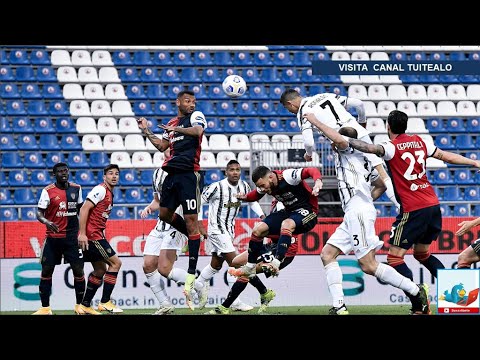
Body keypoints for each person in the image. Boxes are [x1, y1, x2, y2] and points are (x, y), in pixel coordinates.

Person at [347, 110, 480, 308]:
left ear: (388, 127)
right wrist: (473, 161)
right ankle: (459, 303)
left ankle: (419, 301)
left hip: (413, 209)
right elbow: (445, 156)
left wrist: (344, 139)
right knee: (422, 254)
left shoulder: (390, 147)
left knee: (394, 258)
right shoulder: (421, 141)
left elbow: (368, 147)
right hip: (433, 206)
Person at [302, 114, 430, 315]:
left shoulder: (347, 150)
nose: (334, 144)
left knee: (369, 265)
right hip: (354, 211)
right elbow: (379, 183)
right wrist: (365, 199)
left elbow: (339, 139)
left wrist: (313, 120)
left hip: (358, 213)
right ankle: (339, 306)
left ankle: (416, 290)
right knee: (327, 254)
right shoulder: (364, 160)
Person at [137, 89, 206, 307]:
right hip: (171, 174)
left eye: (193, 101)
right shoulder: (172, 121)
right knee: (165, 214)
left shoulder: (193, 118)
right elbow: (161, 146)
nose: (192, 104)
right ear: (178, 102)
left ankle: (192, 275)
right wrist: (146, 130)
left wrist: (175, 128)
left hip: (188, 173)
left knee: (192, 223)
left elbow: (197, 131)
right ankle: (192, 233)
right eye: (188, 101)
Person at [280, 88, 401, 211]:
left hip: (342, 144)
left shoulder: (303, 112)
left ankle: (356, 211)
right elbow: (358, 103)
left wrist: (308, 154)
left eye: (287, 108)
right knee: (383, 178)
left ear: (290, 103)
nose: (289, 111)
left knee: (352, 181)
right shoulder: (324, 95)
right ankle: (399, 207)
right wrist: (362, 122)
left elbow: (309, 142)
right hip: (360, 134)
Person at [196, 159, 266, 312]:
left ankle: (198, 284)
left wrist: (262, 216)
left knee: (216, 264)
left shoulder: (244, 186)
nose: (235, 172)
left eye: (238, 170)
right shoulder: (217, 187)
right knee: (235, 264)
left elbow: (252, 200)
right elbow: (199, 201)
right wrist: (200, 224)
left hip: (229, 230)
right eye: (232, 170)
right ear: (226, 172)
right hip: (216, 230)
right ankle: (235, 301)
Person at [229, 166, 322, 279]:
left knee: (287, 224)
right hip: (289, 212)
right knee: (258, 229)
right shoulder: (265, 184)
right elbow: (255, 195)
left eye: (263, 186)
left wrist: (317, 181)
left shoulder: (288, 176)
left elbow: (310, 170)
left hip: (309, 212)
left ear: (271, 177)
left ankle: (276, 262)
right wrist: (245, 197)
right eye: (259, 187)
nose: (262, 189)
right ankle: (250, 266)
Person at [140, 162, 208, 314]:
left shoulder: (186, 174)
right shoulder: (157, 173)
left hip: (176, 225)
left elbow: (196, 203)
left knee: (164, 268)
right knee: (148, 265)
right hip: (160, 225)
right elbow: (158, 200)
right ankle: (165, 304)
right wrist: (150, 207)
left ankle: (199, 286)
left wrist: (198, 226)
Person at [207, 200, 296, 315]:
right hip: (271, 244)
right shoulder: (275, 199)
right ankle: (264, 292)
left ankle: (224, 307)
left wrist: (262, 229)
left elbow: (283, 231)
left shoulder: (286, 202)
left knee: (245, 271)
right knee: (236, 262)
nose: (264, 189)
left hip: (285, 250)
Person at [32, 162, 85, 315]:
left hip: (72, 239)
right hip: (53, 238)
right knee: (47, 271)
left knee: (78, 271)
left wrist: (83, 232)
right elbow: (39, 213)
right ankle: (45, 308)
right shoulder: (47, 191)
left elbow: (82, 211)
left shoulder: (77, 189)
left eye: (65, 171)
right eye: (60, 171)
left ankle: (79, 306)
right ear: (54, 174)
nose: (64, 173)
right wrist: (47, 221)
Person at [77, 164, 123, 315]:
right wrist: (82, 233)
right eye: (110, 173)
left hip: (96, 234)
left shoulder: (110, 192)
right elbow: (84, 208)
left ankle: (84, 305)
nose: (114, 176)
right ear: (104, 177)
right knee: (116, 263)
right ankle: (105, 302)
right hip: (92, 236)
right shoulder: (101, 189)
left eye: (116, 174)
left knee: (100, 269)